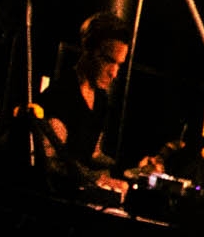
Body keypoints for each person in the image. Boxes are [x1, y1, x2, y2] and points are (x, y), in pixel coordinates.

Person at [18, 10, 132, 191]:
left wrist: (131, 170)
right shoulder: (60, 96)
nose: (114, 73)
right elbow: (51, 164)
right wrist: (98, 179)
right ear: (88, 49)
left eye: (119, 64)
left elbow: (94, 153)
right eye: (108, 61)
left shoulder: (100, 99)